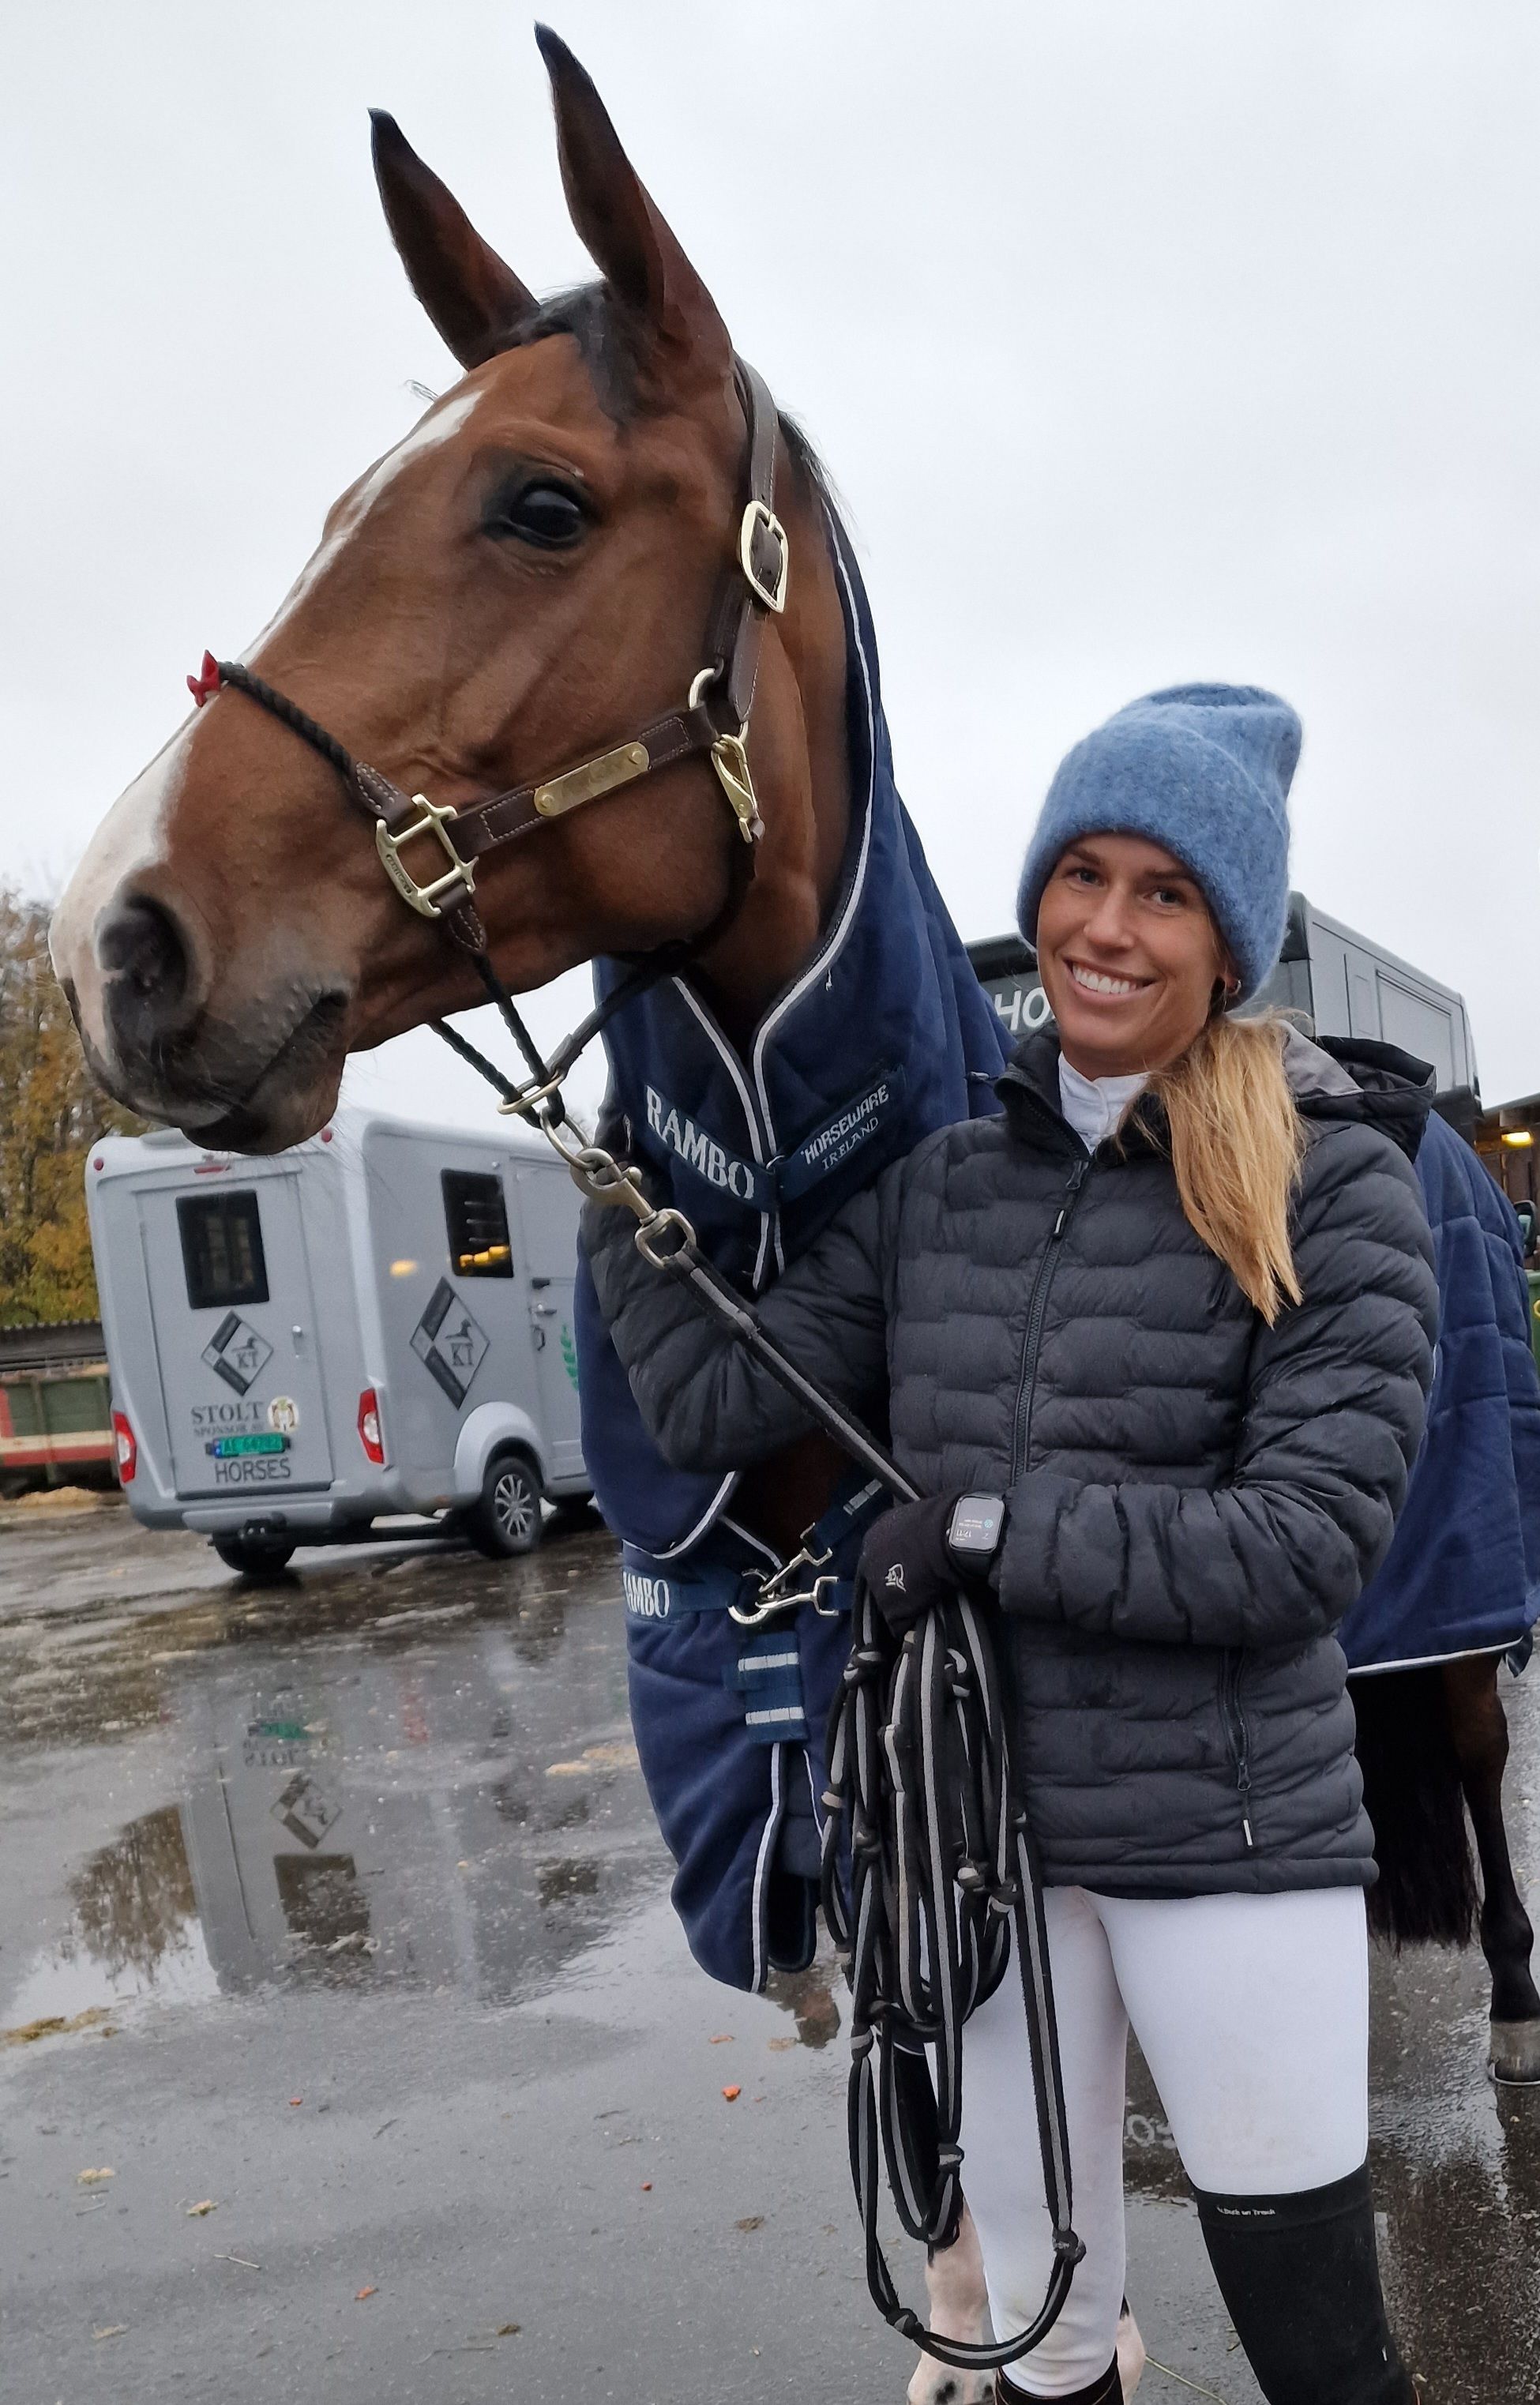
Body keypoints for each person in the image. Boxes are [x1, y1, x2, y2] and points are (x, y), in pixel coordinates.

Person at [584, 686, 1439, 2405]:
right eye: (1081, 874)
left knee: (1323, 2358)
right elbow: (710, 1397)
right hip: (982, 1850)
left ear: (1229, 943)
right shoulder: (940, 1189)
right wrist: (624, 1162)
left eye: (1165, 891)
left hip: (1230, 1842)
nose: (1106, 927)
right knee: (1044, 2340)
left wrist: (982, 1528)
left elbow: (1300, 1546)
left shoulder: (1336, 1189)